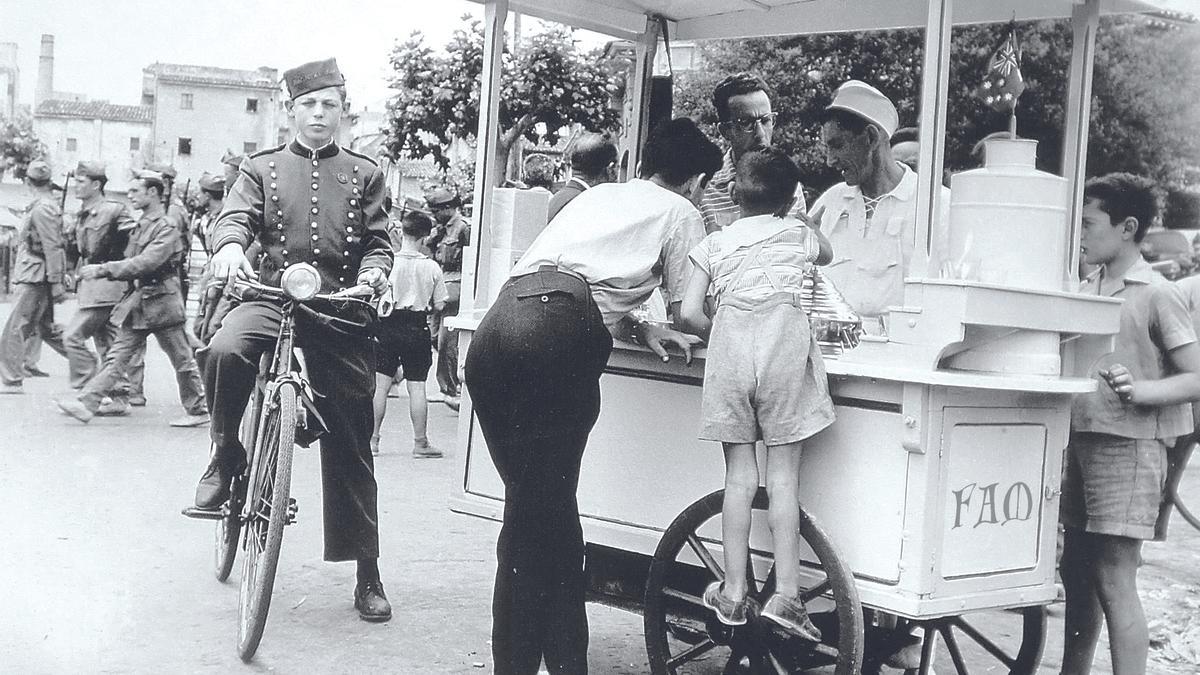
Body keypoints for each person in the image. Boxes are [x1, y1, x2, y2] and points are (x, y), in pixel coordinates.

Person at [463, 117, 721, 675]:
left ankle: (536, 660)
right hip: (556, 340)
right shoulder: (683, 213)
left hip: (497, 333)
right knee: (546, 516)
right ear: (697, 180)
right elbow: (690, 309)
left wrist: (638, 328)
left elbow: (567, 280)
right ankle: (550, 662)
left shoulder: (600, 196)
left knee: (534, 515)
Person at [192, 58, 394, 623]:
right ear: (291, 110)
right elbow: (233, 218)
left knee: (354, 436)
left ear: (342, 111)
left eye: (330, 104)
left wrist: (376, 273)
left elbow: (380, 242)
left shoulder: (365, 172)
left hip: (337, 309)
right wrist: (230, 246)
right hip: (271, 298)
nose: (320, 113)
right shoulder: (260, 169)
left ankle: (368, 572)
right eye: (309, 104)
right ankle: (226, 451)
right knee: (225, 349)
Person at [680, 147, 835, 637]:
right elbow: (827, 253)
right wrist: (802, 216)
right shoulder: (796, 233)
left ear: (732, 193)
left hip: (729, 354)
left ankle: (732, 592)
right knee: (784, 477)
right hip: (783, 353)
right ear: (791, 197)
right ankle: (787, 596)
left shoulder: (714, 243)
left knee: (739, 478)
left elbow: (687, 312)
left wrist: (720, 335)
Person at [1060, 173, 1200, 675]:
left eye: (1090, 223)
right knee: (1075, 574)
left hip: (1132, 447)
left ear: (1128, 228)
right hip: (1082, 443)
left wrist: (1140, 391)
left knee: (1115, 576)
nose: (1080, 233)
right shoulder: (1087, 286)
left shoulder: (1157, 293)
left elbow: (1195, 377)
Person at [55, 171, 209, 427]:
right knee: (117, 356)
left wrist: (103, 269)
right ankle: (87, 404)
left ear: (152, 193)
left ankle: (197, 409)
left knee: (182, 360)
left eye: (136, 191)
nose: (130, 195)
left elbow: (146, 263)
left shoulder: (166, 227)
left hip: (163, 303)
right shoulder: (143, 225)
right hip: (140, 303)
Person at [809, 79, 950, 335]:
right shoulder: (830, 202)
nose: (830, 161)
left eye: (837, 145)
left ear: (871, 137)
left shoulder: (936, 205)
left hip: (900, 358)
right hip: (831, 357)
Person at [370, 209, 447, 458]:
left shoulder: (388, 264)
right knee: (417, 387)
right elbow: (440, 305)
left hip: (388, 325)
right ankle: (420, 442)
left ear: (401, 231)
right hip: (416, 327)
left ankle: (372, 441)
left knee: (380, 386)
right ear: (425, 237)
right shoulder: (432, 267)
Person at [62, 161, 139, 410]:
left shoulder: (114, 210)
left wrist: (126, 270)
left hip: (108, 284)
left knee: (72, 336)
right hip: (90, 285)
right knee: (107, 342)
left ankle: (90, 390)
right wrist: (69, 270)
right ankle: (118, 396)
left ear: (96, 185)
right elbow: (75, 247)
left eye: (81, 181)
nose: (76, 185)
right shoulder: (81, 213)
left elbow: (135, 238)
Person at [699, 72, 807, 234]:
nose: (760, 134)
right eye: (746, 123)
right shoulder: (705, 189)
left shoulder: (789, 184)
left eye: (765, 121)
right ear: (725, 131)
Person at [0, 160, 68, 393]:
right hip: (37, 274)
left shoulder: (42, 208)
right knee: (47, 330)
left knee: (14, 329)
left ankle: (11, 379)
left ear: (28, 182)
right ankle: (92, 368)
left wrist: (57, 281)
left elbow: (52, 246)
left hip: (34, 276)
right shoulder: (43, 205)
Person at [424, 186, 471, 410]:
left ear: (448, 208)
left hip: (455, 287)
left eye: (436, 211)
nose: (434, 216)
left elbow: (472, 260)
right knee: (434, 337)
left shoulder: (463, 228)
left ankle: (450, 389)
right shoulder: (442, 229)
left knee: (447, 342)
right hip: (440, 283)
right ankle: (446, 385)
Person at [547, 132, 617, 222]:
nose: (616, 176)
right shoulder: (586, 203)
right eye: (617, 167)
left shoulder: (560, 197)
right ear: (610, 168)